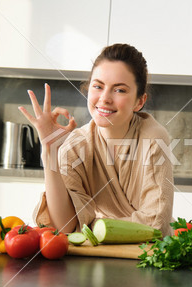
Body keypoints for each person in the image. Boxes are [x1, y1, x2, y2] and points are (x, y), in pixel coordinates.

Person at [19, 43, 174, 236]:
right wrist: (50, 150)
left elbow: (154, 223)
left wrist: (92, 227)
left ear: (139, 101)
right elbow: (65, 226)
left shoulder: (153, 137)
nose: (105, 98)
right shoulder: (77, 143)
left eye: (120, 90)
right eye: (98, 86)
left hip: (147, 251)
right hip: (99, 250)